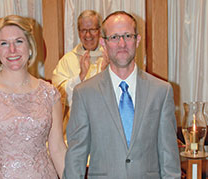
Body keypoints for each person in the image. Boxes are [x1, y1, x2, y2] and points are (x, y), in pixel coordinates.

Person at [63, 11, 181, 178]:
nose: (122, 43)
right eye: (114, 37)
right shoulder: (84, 94)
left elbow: (169, 158)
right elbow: (76, 157)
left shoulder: (161, 91)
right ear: (103, 43)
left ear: (137, 40)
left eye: (127, 36)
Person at [0, 15, 66, 179]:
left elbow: (58, 149)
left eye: (19, 41)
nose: (12, 50)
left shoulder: (49, 93)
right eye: (4, 43)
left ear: (30, 46)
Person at [52, 10, 109, 138]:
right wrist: (80, 77)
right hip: (77, 131)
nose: (88, 35)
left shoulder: (110, 57)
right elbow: (58, 94)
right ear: (78, 32)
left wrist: (106, 73)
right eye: (83, 30)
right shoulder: (68, 60)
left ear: (99, 31)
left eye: (92, 29)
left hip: (107, 130)